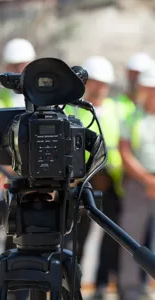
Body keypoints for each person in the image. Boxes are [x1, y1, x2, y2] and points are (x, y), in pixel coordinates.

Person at [70, 56, 123, 298]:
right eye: (95, 82)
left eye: (104, 83)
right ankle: (71, 283)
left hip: (111, 183)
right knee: (76, 238)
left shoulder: (116, 110)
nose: (100, 87)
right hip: (81, 183)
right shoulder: (72, 110)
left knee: (112, 238)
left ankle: (102, 283)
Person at [118, 61, 155, 300]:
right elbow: (125, 151)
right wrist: (147, 180)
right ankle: (129, 290)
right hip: (137, 185)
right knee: (130, 239)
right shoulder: (130, 117)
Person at [0, 38, 36, 108]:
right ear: (7, 67)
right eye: (15, 66)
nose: (20, 70)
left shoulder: (48, 94)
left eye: (23, 65)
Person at [117, 52, 151, 121]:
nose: (133, 78)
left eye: (137, 74)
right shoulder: (114, 105)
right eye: (131, 73)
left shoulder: (150, 109)